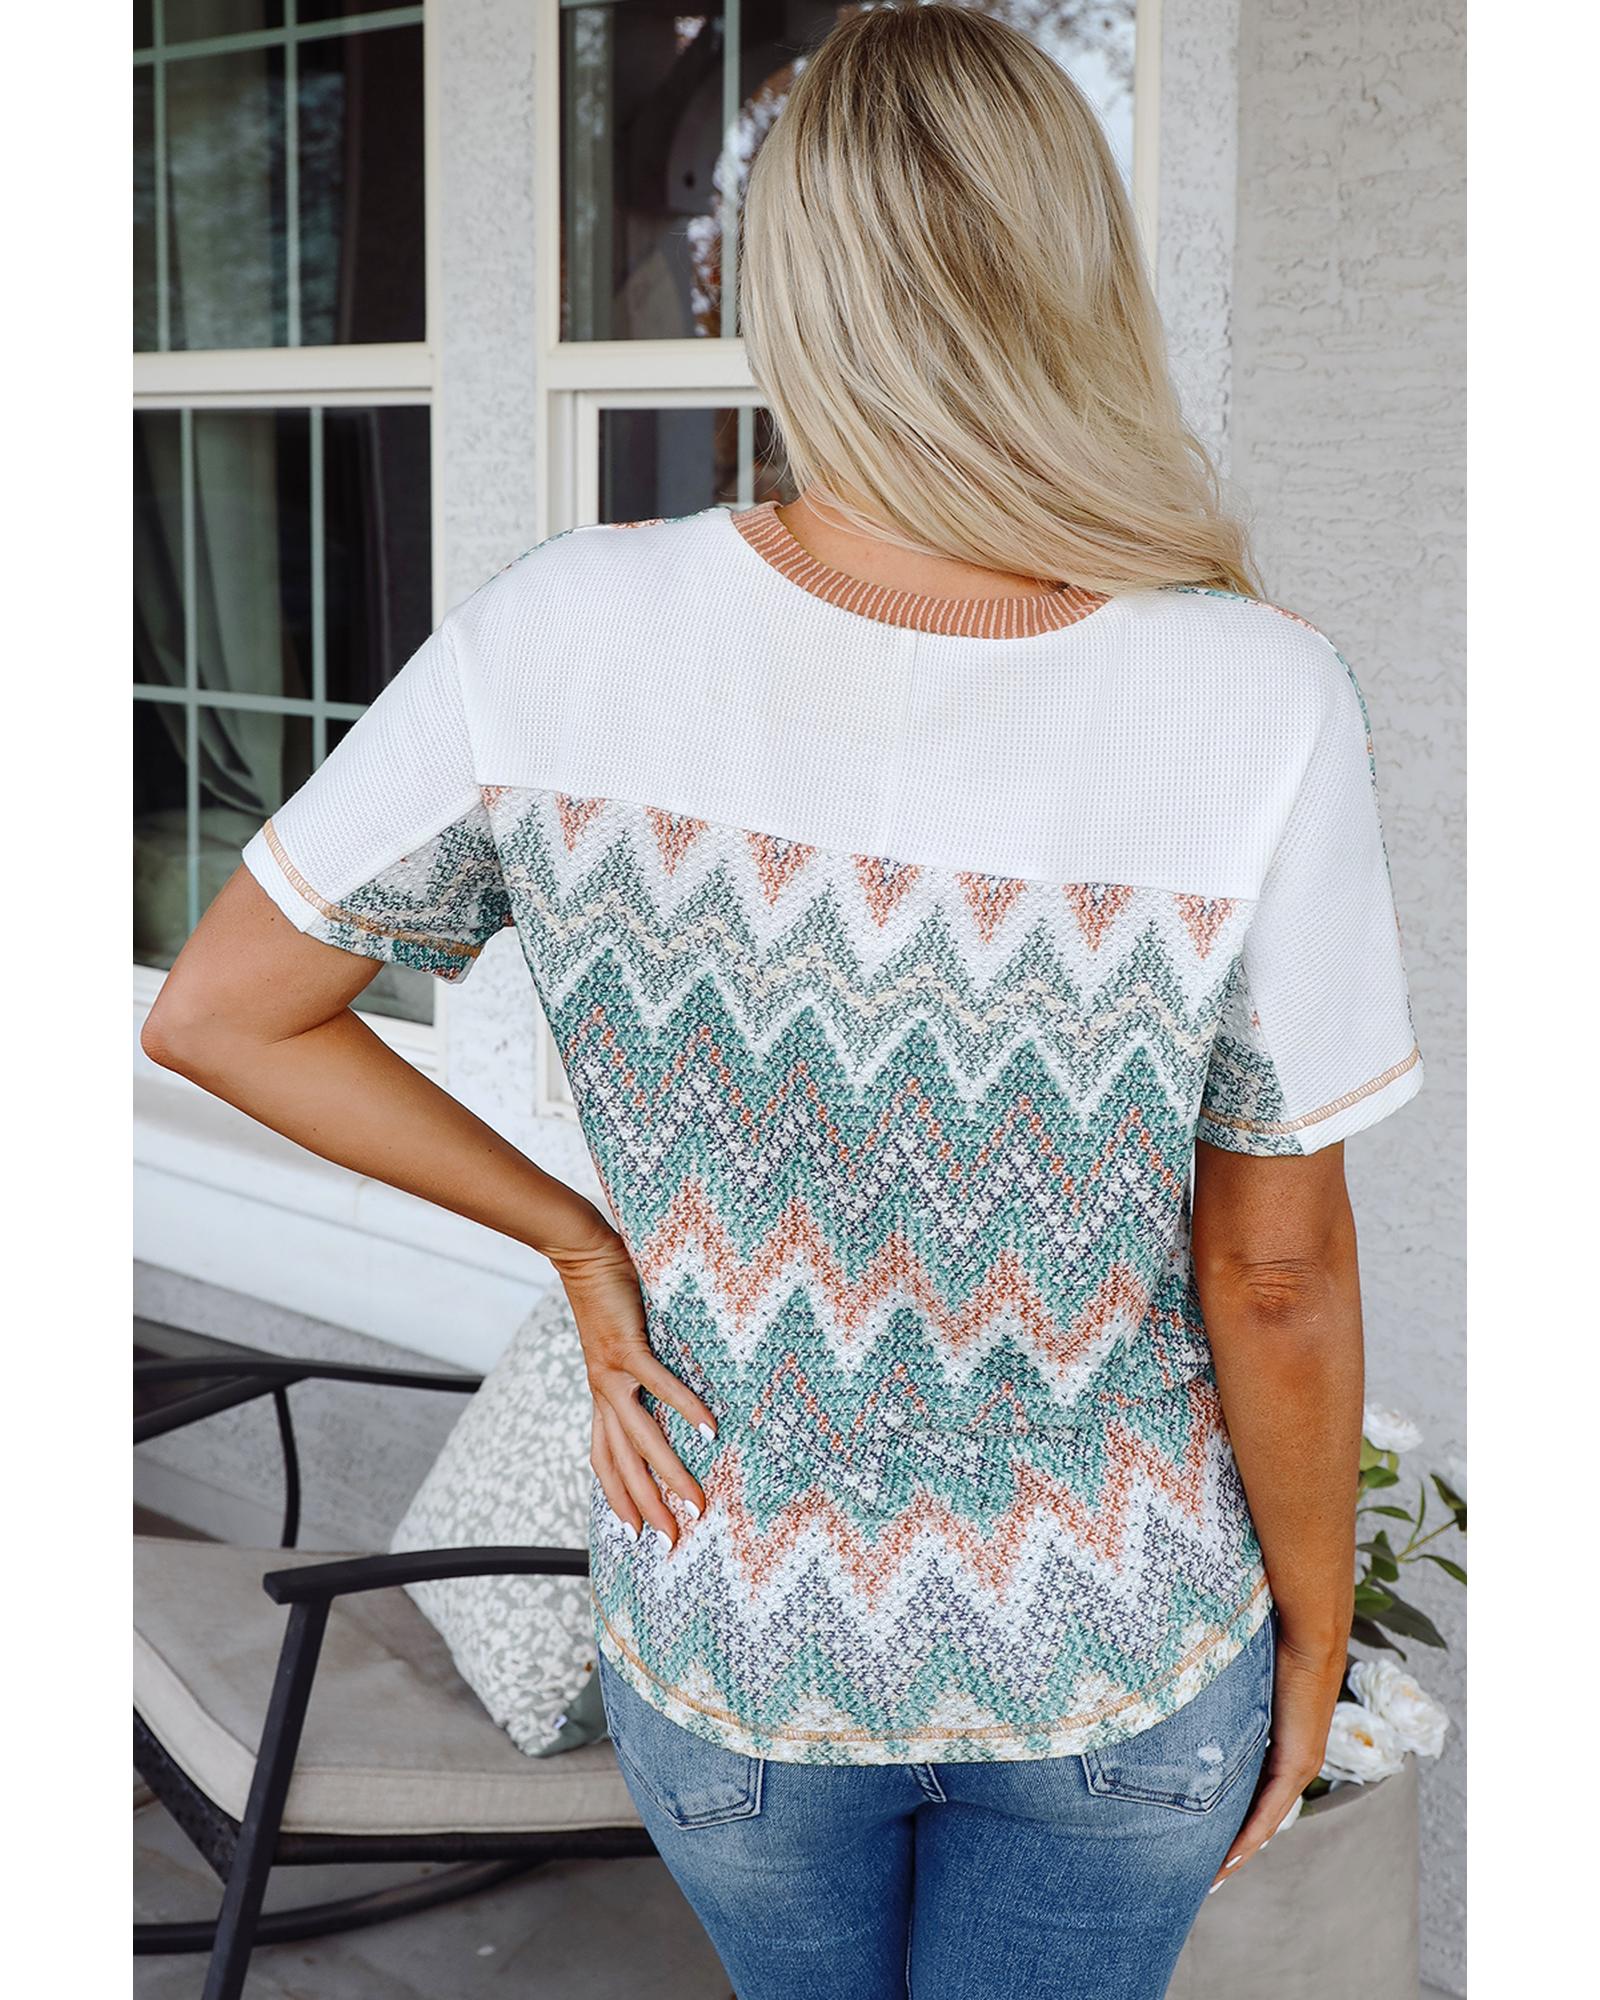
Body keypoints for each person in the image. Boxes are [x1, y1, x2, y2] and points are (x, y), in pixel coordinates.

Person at [142, 6, 1424, 1996]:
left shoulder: (562, 631)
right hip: (1112, 1642)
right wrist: (1315, 1631)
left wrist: (579, 1240)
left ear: (780, 280)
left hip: (737, 1631)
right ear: (1079, 273)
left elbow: (222, 1008)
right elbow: (1272, 1270)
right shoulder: (1255, 693)